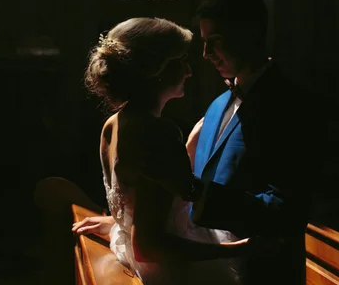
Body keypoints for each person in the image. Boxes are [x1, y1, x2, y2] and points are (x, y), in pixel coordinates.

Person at [74, 17, 266, 284]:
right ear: (158, 69)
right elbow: (149, 246)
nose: (189, 71)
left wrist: (117, 224)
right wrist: (236, 249)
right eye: (181, 61)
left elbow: (139, 204)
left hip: (128, 254)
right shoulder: (158, 132)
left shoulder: (113, 124)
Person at [186, 0, 322, 284]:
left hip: (260, 272)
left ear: (247, 36)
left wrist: (203, 196)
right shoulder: (216, 104)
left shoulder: (291, 105)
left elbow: (288, 208)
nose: (206, 54)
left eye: (215, 42)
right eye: (204, 43)